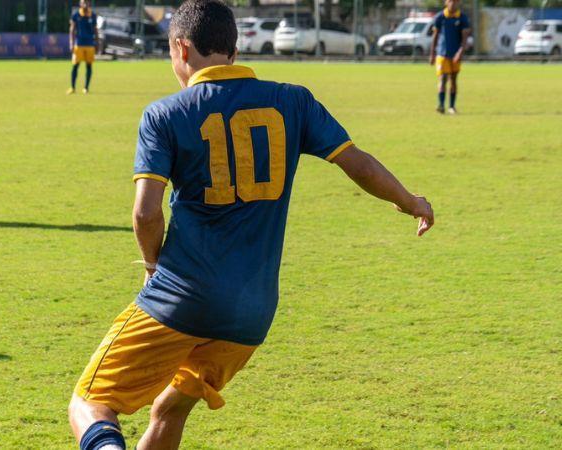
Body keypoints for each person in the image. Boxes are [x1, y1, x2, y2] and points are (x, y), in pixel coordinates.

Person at [67, 1, 435, 449]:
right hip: (250, 313)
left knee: (90, 404)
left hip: (181, 298)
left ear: (181, 48)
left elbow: (146, 213)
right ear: (234, 49)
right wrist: (409, 200)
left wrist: (150, 267)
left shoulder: (165, 114)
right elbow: (357, 164)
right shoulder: (293, 100)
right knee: (170, 408)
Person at [429, 0, 471, 114]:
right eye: (451, 1)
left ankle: (452, 106)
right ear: (446, 2)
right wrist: (432, 53)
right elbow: (435, 36)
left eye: (455, 2)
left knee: (453, 80)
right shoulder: (440, 17)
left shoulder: (462, 18)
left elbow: (464, 38)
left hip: (455, 55)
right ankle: (441, 105)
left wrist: (460, 52)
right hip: (442, 54)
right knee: (442, 79)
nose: (453, 4)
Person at [69, 0, 99, 95]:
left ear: (89, 3)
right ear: (80, 4)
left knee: (89, 66)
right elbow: (72, 30)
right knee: (75, 66)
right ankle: (73, 87)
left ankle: (86, 88)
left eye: (87, 2)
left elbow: (95, 30)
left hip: (90, 44)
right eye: (83, 2)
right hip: (79, 44)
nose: (85, 4)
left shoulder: (93, 15)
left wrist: (97, 43)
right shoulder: (76, 15)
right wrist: (71, 43)